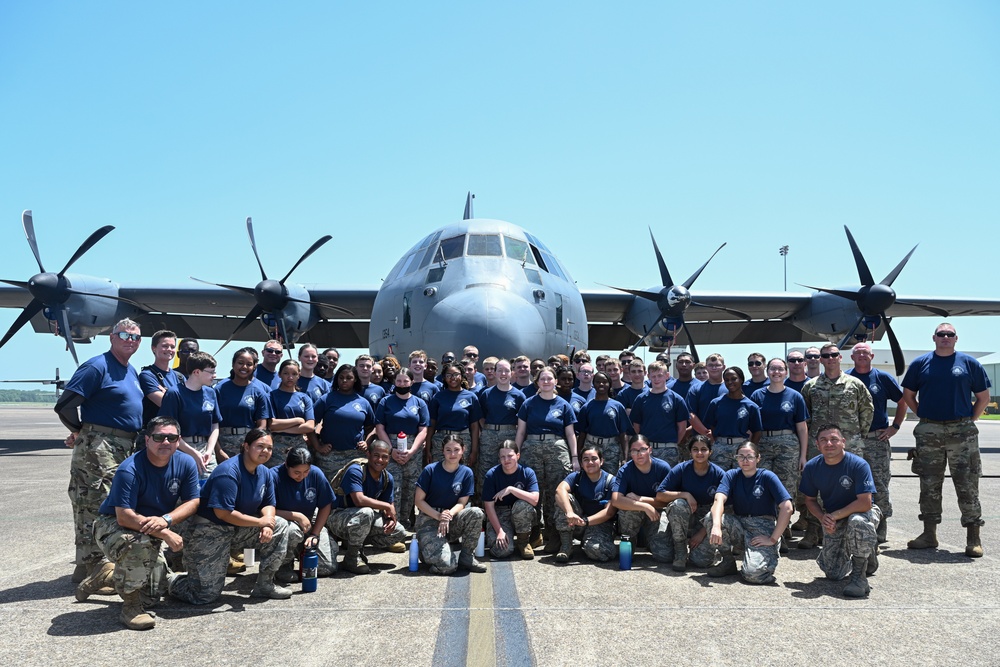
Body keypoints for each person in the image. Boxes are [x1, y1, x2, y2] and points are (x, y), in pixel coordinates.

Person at [81, 416, 200, 630]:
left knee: (153, 595)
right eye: (159, 437)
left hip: (153, 526)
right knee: (137, 545)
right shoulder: (130, 469)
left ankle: (105, 576)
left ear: (178, 440)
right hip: (114, 526)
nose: (165, 442)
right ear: (147, 440)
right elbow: (124, 516)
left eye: (171, 437)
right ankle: (131, 608)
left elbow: (193, 501)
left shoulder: (185, 463)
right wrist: (164, 533)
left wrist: (166, 520)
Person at [55, 318, 145, 583]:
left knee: (111, 504)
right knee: (94, 504)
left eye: (136, 337)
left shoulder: (129, 370)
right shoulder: (97, 366)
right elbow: (66, 405)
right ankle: (93, 568)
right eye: (126, 336)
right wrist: (80, 430)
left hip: (124, 446)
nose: (132, 341)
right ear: (112, 337)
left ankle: (90, 568)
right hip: (100, 447)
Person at [168, 428, 292, 604]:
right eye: (260, 446)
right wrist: (260, 521)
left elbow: (268, 504)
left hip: (238, 527)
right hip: (209, 530)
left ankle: (265, 584)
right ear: (246, 446)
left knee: (279, 524)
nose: (265, 451)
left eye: (269, 448)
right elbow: (223, 513)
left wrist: (267, 524)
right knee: (205, 595)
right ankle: (168, 580)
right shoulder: (228, 471)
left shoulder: (264, 472)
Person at [902, 323, 990, 557]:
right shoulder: (921, 364)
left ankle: (973, 537)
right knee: (929, 483)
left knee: (967, 482)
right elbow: (908, 394)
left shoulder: (969, 363)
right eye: (941, 334)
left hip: (962, 430)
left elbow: (983, 397)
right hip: (929, 429)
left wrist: (970, 419)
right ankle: (929, 534)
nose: (945, 338)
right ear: (934, 338)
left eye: (949, 335)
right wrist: (921, 413)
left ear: (956, 338)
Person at [797, 343, 873, 548]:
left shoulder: (855, 384)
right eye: (825, 355)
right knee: (815, 491)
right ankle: (813, 530)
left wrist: (856, 436)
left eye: (834, 355)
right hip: (819, 447)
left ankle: (851, 531)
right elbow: (806, 417)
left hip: (850, 446)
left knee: (851, 489)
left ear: (840, 358)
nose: (830, 358)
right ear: (820, 359)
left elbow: (867, 411)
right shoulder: (811, 386)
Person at [799, 424, 880, 597]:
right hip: (834, 517)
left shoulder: (858, 465)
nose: (829, 443)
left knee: (857, 522)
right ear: (817, 444)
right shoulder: (813, 467)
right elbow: (810, 500)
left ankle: (859, 576)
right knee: (833, 574)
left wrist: (833, 516)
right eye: (824, 440)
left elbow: (865, 502)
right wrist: (823, 518)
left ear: (843, 442)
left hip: (863, 512)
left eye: (834, 439)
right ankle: (867, 552)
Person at [707, 441, 793, 584]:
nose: (745, 460)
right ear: (736, 458)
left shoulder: (767, 476)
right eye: (741, 456)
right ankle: (728, 562)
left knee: (753, 575)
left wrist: (772, 538)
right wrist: (716, 526)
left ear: (758, 458)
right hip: (740, 523)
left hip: (762, 528)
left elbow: (787, 507)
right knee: (712, 517)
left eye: (750, 456)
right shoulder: (731, 475)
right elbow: (719, 500)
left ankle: (768, 555)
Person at [515, 366, 579, 551]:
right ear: (537, 382)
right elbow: (520, 431)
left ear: (555, 382)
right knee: (534, 491)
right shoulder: (528, 404)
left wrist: (574, 457)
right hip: (532, 448)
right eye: (542, 379)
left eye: (549, 379)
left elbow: (571, 434)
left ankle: (554, 535)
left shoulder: (563, 405)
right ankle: (534, 534)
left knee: (555, 491)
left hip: (557, 450)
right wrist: (516, 453)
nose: (546, 382)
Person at [849, 342, 906, 543]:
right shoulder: (846, 378)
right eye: (858, 353)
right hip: (852, 441)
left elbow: (902, 401)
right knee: (850, 484)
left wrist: (895, 427)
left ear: (872, 356)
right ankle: (853, 526)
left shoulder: (882, 378)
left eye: (866, 353)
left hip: (876, 440)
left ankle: (880, 527)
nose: (862, 356)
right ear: (852, 357)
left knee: (879, 484)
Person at [750, 357, 809, 551]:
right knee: (764, 489)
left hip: (788, 445)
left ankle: (783, 531)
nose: (776, 372)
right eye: (773, 369)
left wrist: (803, 455)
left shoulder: (795, 396)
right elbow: (752, 427)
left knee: (786, 489)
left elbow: (802, 428)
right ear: (767, 372)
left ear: (786, 372)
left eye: (780, 369)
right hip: (764, 445)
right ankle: (769, 529)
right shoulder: (757, 395)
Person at [327, 440, 407, 574]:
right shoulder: (356, 470)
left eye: (385, 457)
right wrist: (387, 506)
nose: (380, 460)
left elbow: (389, 506)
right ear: (368, 454)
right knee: (366, 512)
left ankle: (354, 544)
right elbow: (359, 500)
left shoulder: (388, 478)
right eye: (376, 455)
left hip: (359, 520)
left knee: (399, 531)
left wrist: (389, 519)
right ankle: (352, 557)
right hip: (337, 517)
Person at [413, 435, 487, 574]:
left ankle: (466, 557)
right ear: (442, 451)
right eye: (448, 450)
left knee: (476, 512)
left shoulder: (466, 473)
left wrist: (447, 515)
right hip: (429, 520)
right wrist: (439, 516)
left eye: (456, 449)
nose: (452, 454)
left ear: (463, 450)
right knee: (448, 567)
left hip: (450, 519)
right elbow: (419, 501)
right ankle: (426, 551)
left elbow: (462, 503)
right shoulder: (430, 470)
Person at [656, 435, 726, 571]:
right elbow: (660, 494)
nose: (699, 453)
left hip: (706, 520)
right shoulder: (681, 469)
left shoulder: (718, 474)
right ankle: (680, 551)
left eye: (704, 449)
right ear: (690, 452)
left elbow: (726, 507)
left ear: (710, 452)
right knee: (678, 505)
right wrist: (685, 494)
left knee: (700, 562)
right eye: (695, 449)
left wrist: (702, 532)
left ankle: (713, 550)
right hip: (686, 515)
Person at [270, 446, 338, 582]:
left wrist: (315, 534)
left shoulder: (316, 474)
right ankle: (283, 565)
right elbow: (266, 509)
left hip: (309, 521)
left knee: (326, 568)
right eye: (296, 472)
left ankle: (305, 551)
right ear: (286, 465)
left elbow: (326, 505)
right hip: (282, 523)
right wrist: (295, 516)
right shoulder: (273, 476)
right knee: (292, 531)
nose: (301, 477)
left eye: (306, 472)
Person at [374, 368, 430, 531]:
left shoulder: (419, 403)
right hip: (390, 447)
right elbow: (380, 427)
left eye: (405, 381)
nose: (402, 384)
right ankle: (391, 523)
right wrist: (391, 451)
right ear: (394, 382)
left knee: (411, 488)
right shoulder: (386, 402)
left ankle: (404, 523)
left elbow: (423, 430)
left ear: (412, 382)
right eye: (399, 381)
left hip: (413, 448)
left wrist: (412, 451)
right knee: (393, 487)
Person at [158, 351, 222, 480]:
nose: (214, 376)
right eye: (211, 372)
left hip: (205, 449)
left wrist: (209, 450)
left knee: (208, 490)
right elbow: (167, 430)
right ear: (196, 372)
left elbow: (215, 424)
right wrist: (192, 452)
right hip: (180, 448)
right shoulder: (174, 393)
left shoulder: (211, 393)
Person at [611, 435, 672, 563]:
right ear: (630, 453)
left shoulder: (662, 468)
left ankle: (651, 541)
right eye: (634, 451)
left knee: (665, 556)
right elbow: (616, 500)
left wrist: (642, 499)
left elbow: (668, 500)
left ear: (650, 450)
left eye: (643, 449)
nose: (639, 454)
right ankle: (630, 542)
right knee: (626, 510)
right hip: (635, 513)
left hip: (657, 513)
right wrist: (644, 506)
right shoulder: (625, 470)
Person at [310, 364, 376, 480]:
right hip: (329, 457)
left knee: (354, 494)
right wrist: (318, 446)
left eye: (349, 378)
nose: (344, 380)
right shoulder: (326, 399)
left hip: (355, 456)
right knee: (329, 495)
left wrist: (367, 442)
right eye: (341, 377)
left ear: (355, 379)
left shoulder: (363, 402)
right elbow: (310, 424)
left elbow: (372, 427)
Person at [553, 445, 618, 562]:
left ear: (601, 461)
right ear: (581, 463)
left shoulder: (610, 481)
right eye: (586, 459)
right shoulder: (576, 477)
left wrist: (586, 522)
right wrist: (570, 512)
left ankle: (590, 542)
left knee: (599, 552)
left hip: (599, 524)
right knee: (564, 498)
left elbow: (610, 512)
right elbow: (559, 490)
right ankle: (566, 546)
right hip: (576, 522)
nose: (590, 462)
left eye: (594, 458)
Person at [477, 359, 526, 501]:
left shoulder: (519, 395)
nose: (503, 374)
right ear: (495, 372)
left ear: (512, 373)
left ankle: (506, 504)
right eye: (500, 370)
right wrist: (488, 430)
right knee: (485, 471)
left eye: (506, 370)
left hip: (509, 436)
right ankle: (485, 509)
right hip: (488, 435)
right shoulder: (486, 394)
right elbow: (481, 416)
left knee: (508, 469)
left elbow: (522, 421)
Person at [696, 367, 763, 470]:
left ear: (741, 380)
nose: (730, 382)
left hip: (741, 448)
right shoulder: (716, 403)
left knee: (741, 479)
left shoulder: (751, 406)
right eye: (726, 380)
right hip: (720, 447)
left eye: (733, 379)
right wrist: (715, 443)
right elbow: (710, 426)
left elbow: (757, 431)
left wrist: (750, 449)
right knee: (718, 480)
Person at [482, 441, 539, 559]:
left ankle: (523, 542)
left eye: (510, 456)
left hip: (521, 513)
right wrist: (499, 531)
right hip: (500, 513)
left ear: (518, 456)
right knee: (502, 551)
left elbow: (534, 500)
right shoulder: (492, 475)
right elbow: (489, 507)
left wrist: (511, 489)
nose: (506, 459)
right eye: (502, 457)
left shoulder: (527, 472)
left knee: (521, 505)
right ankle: (510, 537)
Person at [214, 347, 271, 459]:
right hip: (223, 443)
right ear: (233, 364)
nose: (244, 367)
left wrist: (252, 445)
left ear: (254, 366)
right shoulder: (219, 389)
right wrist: (218, 451)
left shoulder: (259, 393)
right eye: (240, 363)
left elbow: (262, 425)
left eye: (249, 364)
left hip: (248, 444)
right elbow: (211, 424)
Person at [630, 361, 689, 466]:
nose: (656, 379)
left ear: (667, 376)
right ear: (648, 376)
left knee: (668, 480)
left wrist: (673, 443)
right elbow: (636, 425)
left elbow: (682, 427)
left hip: (669, 449)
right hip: (646, 449)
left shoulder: (676, 399)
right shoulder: (641, 399)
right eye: (653, 376)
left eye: (660, 375)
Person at [426, 362, 483, 464]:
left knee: (462, 474)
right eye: (449, 375)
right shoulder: (438, 397)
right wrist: (428, 449)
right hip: (440, 441)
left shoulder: (471, 397)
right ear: (444, 377)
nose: (453, 378)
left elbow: (474, 426)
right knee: (440, 474)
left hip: (463, 441)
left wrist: (474, 451)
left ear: (462, 376)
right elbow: (431, 425)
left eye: (456, 374)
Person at [577, 371, 628, 473]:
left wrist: (625, 458)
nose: (601, 384)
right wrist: (578, 456)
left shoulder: (617, 406)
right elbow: (582, 435)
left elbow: (623, 434)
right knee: (590, 475)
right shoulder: (587, 407)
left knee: (610, 478)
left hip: (611, 448)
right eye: (598, 382)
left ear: (609, 384)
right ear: (593, 383)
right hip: (591, 446)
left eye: (605, 382)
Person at [268, 359, 315, 468]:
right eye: (286, 373)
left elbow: (309, 426)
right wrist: (298, 420)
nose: (290, 377)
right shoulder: (271, 396)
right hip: (277, 446)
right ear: (279, 374)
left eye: (294, 374)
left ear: (299, 375)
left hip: (299, 446)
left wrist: (282, 429)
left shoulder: (304, 398)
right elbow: (272, 424)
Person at [137, 330, 184, 439]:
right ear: (154, 348)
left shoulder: (180, 377)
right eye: (165, 346)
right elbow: (164, 403)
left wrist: (167, 394)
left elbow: (189, 404)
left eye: (172, 346)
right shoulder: (147, 375)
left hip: (175, 434)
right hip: (154, 436)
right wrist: (177, 398)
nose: (169, 350)